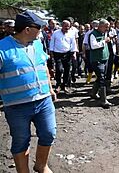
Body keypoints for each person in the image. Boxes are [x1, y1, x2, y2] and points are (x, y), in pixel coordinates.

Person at [0, 10, 57, 173]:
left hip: (43, 100)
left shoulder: (38, 44)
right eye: (39, 27)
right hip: (17, 106)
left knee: (49, 133)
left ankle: (41, 165)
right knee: (21, 141)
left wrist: (50, 88)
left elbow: (43, 66)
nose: (41, 31)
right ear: (27, 29)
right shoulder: (2, 49)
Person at [88, 19, 111, 108]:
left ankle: (93, 93)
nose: (107, 29)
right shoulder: (92, 34)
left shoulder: (104, 33)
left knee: (101, 77)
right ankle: (103, 100)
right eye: (106, 27)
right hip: (97, 60)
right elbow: (93, 46)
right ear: (101, 26)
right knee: (102, 79)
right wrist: (104, 41)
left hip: (105, 59)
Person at [49, 20, 77, 93]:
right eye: (65, 26)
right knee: (59, 69)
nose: (67, 28)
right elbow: (52, 43)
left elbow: (73, 44)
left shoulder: (71, 34)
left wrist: (74, 53)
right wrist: (51, 53)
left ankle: (64, 85)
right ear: (62, 25)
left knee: (67, 70)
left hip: (67, 54)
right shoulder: (56, 33)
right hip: (57, 54)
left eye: (68, 26)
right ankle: (58, 84)